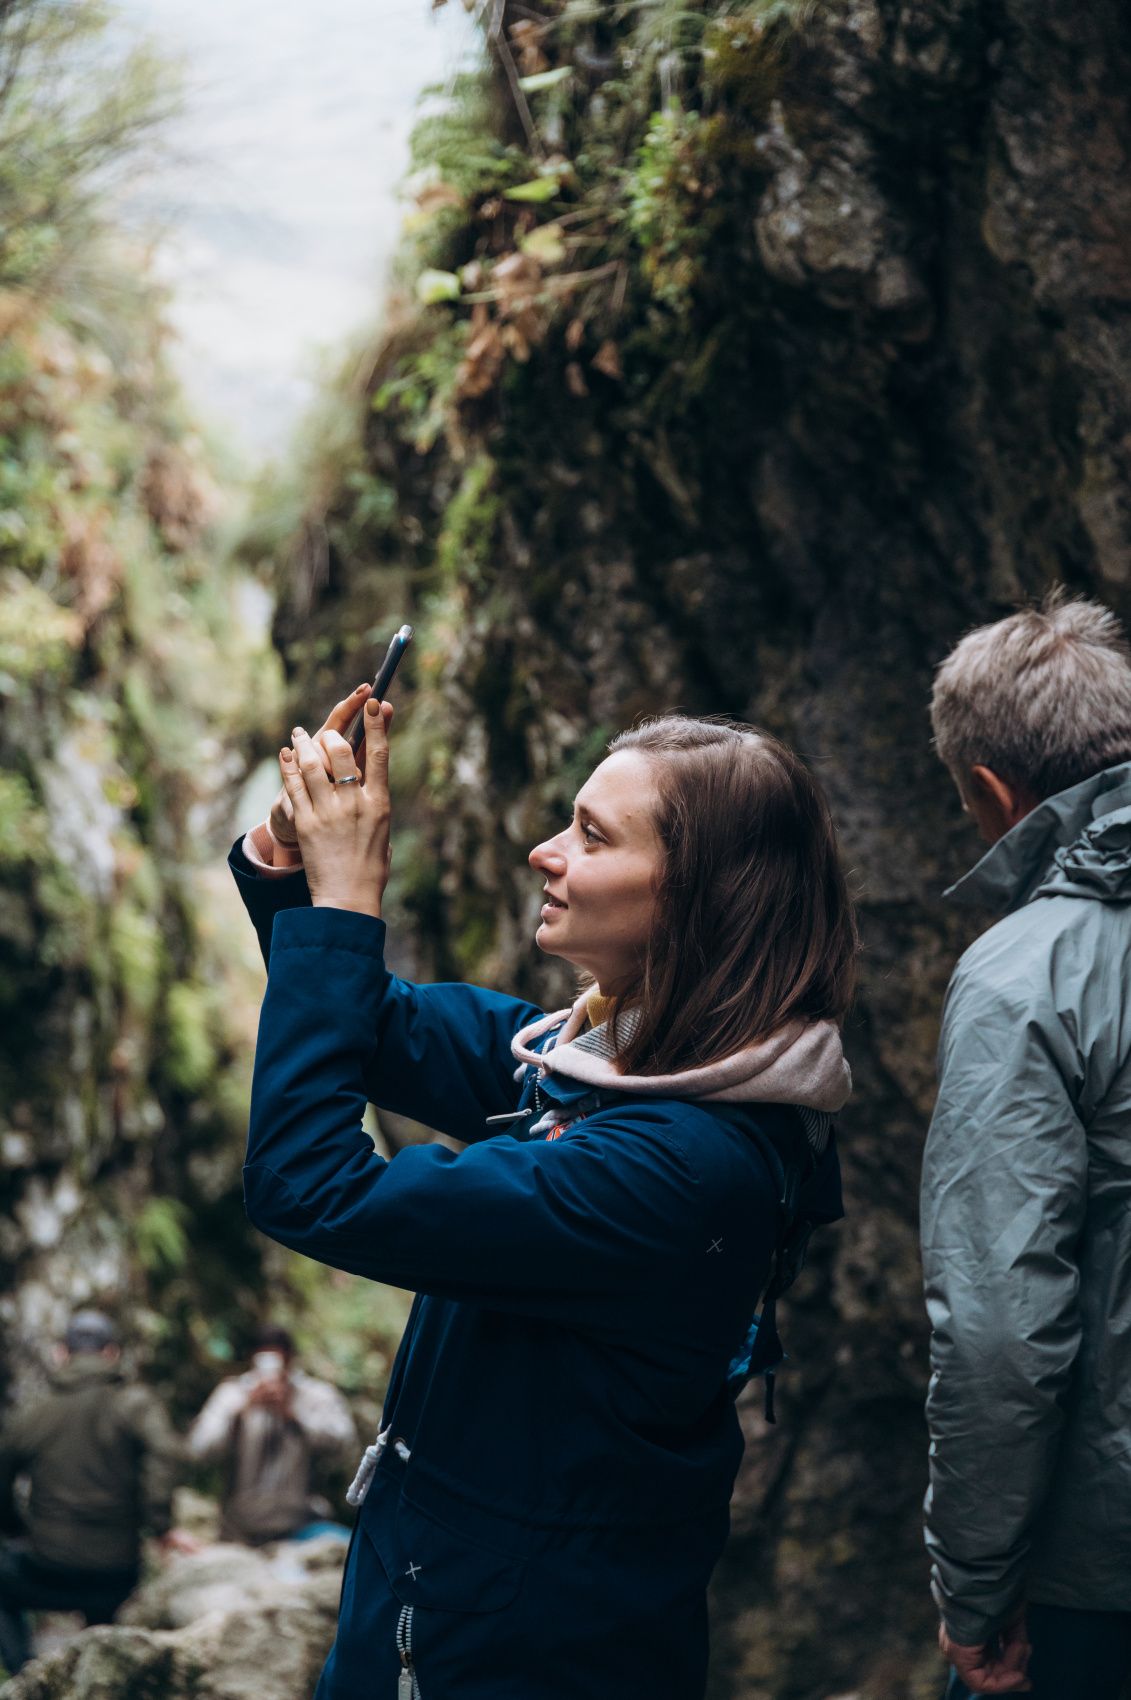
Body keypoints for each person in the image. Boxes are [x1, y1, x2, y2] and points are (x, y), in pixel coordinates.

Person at [228, 683, 856, 1700]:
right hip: (461, 1602)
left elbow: (310, 1184)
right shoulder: (606, 1058)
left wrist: (349, 906)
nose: (546, 851)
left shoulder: (676, 1166)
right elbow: (368, 1020)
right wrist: (290, 862)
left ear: (697, 900)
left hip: (514, 1648)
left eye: (593, 836)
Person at [922, 592, 1131, 1699]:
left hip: (1097, 1584)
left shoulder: (1027, 973)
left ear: (995, 795)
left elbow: (1000, 1332)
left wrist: (977, 1583)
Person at [0, 1310, 190, 1675]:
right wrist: (159, 1524)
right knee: (106, 1624)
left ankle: (25, 1674)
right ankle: (97, 1674)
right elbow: (165, 1452)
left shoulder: (40, 1410)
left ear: (61, 1353)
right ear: (112, 1353)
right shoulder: (135, 1403)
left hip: (48, 1567)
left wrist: (14, 1527)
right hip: (116, 1572)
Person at [187, 1325, 356, 1545]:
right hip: (240, 1529)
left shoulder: (316, 1395)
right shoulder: (232, 1394)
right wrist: (241, 1411)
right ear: (252, 1359)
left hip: (301, 1523)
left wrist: (295, 1417)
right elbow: (199, 1449)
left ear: (291, 1359)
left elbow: (345, 1446)